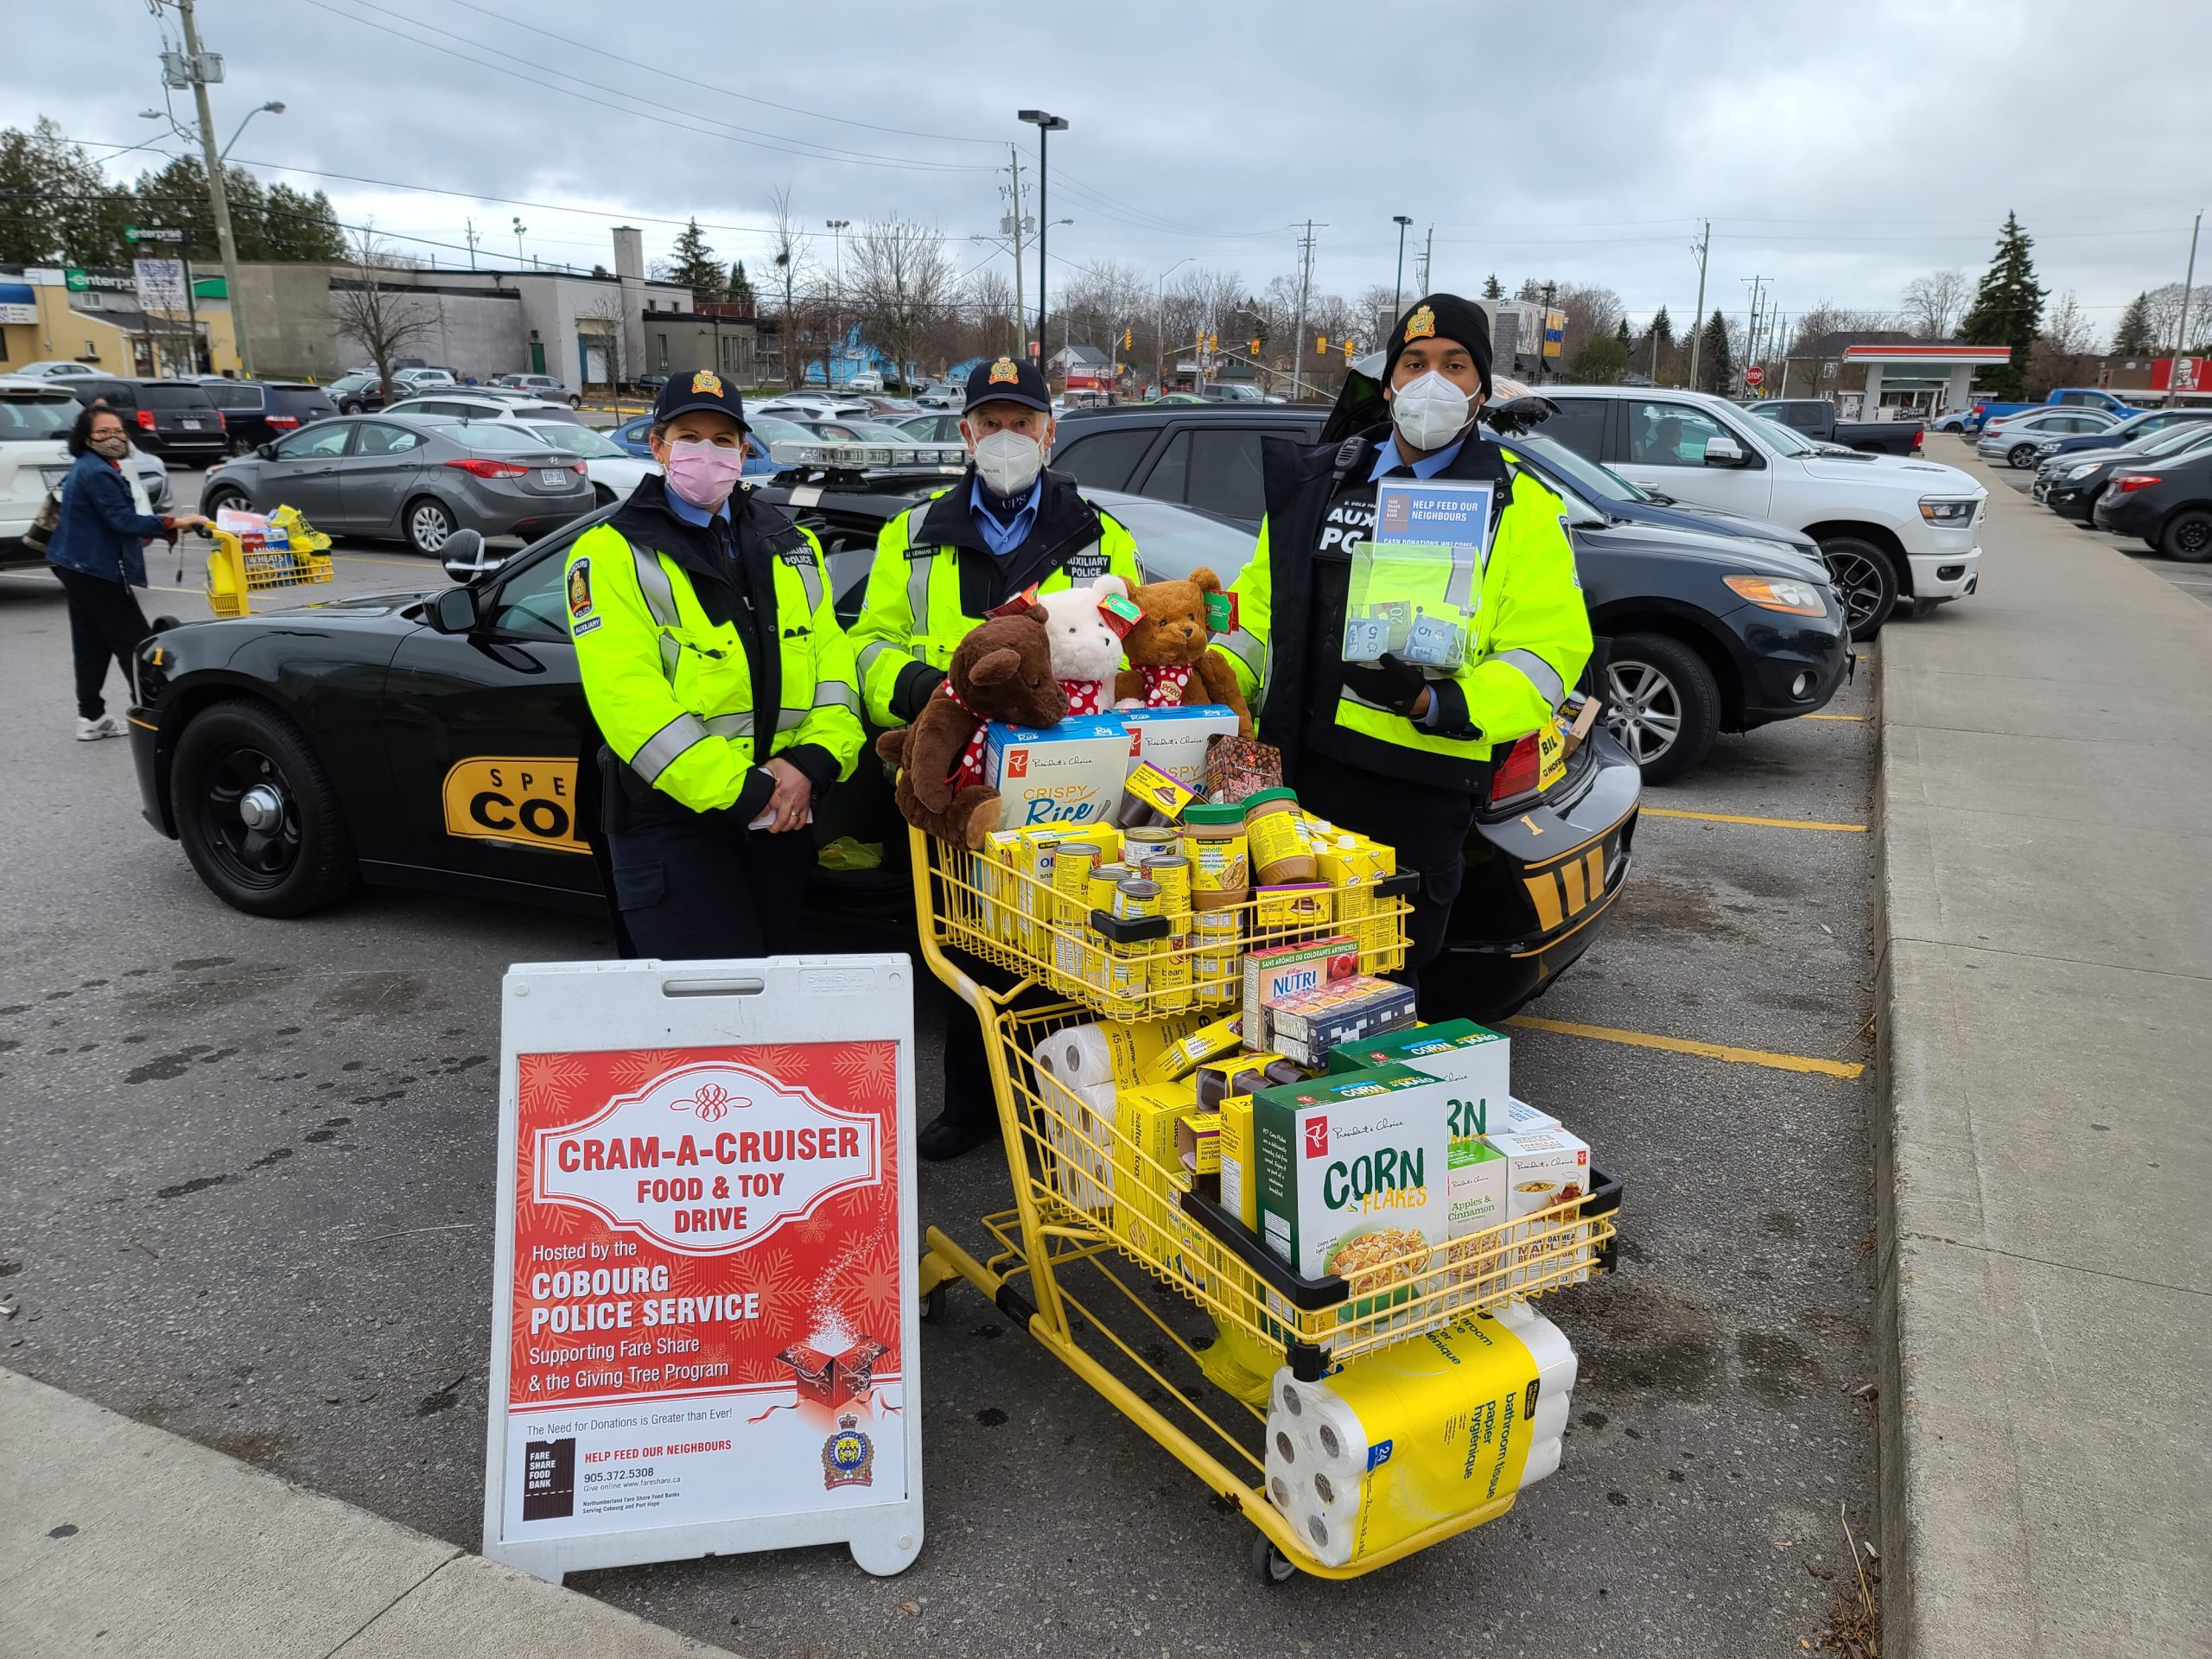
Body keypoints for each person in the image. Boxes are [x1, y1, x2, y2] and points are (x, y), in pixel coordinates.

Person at [1210, 292, 1592, 993]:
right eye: (1414, 363)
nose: (1432, 382)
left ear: (1482, 390)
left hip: (1416, 800)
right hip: (1293, 785)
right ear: (1389, 383)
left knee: (1371, 1002)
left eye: (1455, 365)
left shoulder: (1519, 508)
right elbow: (1259, 617)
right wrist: (1214, 681)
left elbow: (1546, 657)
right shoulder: (1322, 483)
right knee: (1268, 992)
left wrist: (1436, 701)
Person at [850, 354, 1145, 1160]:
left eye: (1023, 422)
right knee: (960, 941)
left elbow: (1129, 645)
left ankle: (1057, 1111)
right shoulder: (910, 536)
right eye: (992, 422)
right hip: (953, 777)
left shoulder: (1101, 536)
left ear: (1051, 433)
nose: (1007, 436)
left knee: (1062, 946)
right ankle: (971, 1109)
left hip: (1064, 776)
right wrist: (919, 689)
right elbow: (866, 645)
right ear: (964, 433)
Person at [565, 370, 862, 960]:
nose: (708, 452)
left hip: (779, 821)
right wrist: (749, 791)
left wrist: (813, 761)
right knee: (704, 1019)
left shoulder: (791, 544)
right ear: (658, 445)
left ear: (744, 450)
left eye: (723, 439)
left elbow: (834, 667)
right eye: (689, 435)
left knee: (766, 1001)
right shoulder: (609, 553)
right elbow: (631, 704)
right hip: (674, 828)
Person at [45, 403, 207, 740]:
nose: (113, 437)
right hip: (92, 569)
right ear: (86, 438)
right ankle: (156, 719)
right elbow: (122, 521)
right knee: (136, 643)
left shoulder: (92, 465)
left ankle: (91, 717)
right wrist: (176, 522)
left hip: (75, 564)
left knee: (92, 643)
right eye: (103, 432)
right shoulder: (98, 471)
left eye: (118, 431)